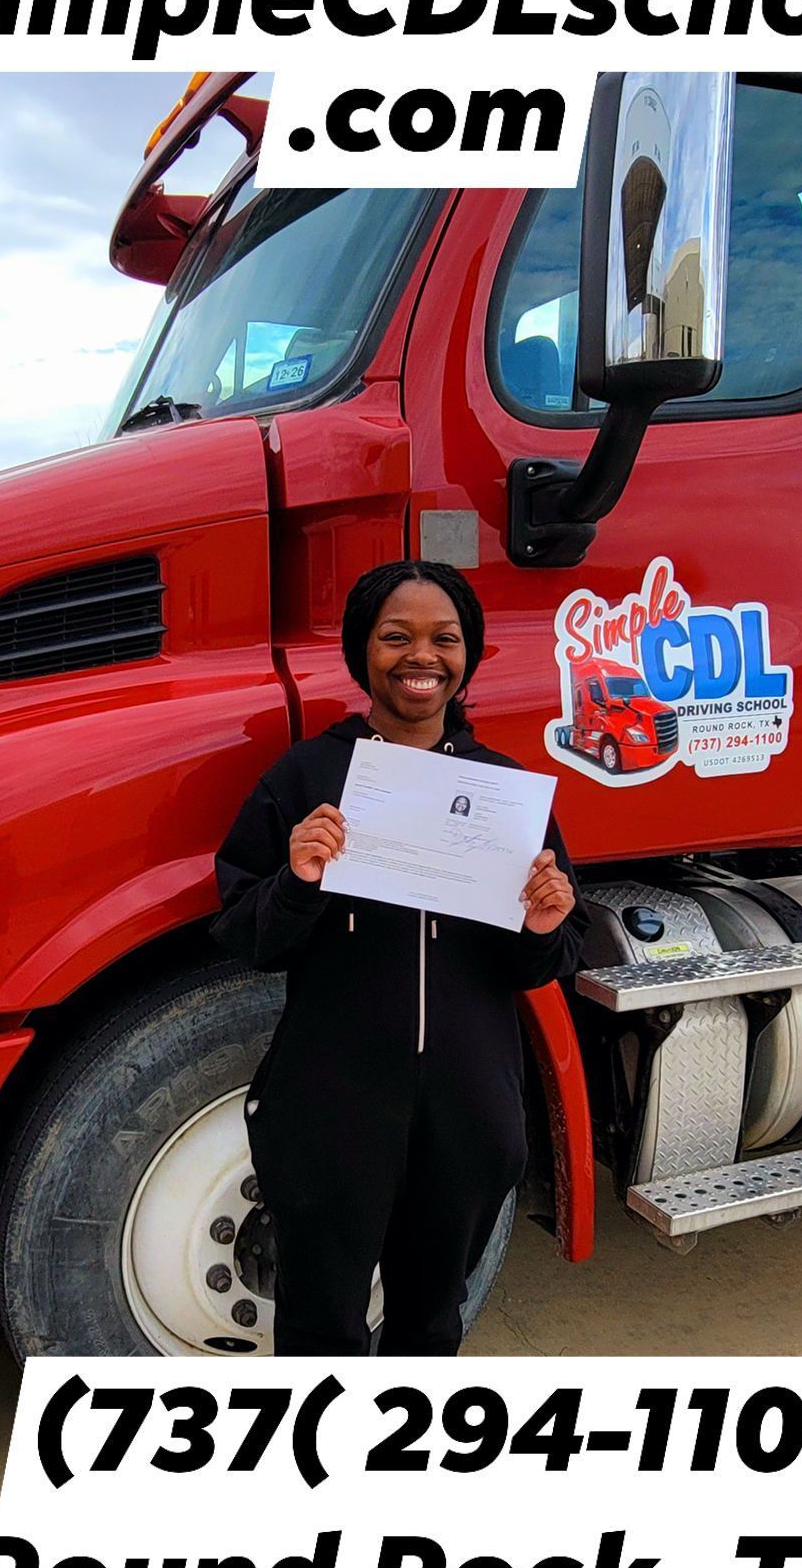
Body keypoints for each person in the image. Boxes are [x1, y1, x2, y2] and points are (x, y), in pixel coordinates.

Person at [211, 559, 588, 1357]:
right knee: (318, 1322)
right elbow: (249, 939)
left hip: (465, 1111)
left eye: (443, 639)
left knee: (429, 1319)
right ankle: (321, 1471)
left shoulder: (502, 791)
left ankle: (398, 1466)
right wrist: (299, 878)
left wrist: (544, 922)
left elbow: (539, 964)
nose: (422, 656)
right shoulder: (306, 777)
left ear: (467, 654)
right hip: (330, 1107)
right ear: (362, 650)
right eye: (396, 637)